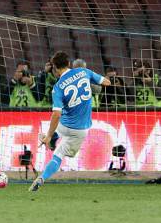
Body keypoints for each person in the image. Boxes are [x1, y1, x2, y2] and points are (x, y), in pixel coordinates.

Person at [29, 51, 111, 191]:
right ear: (68, 63)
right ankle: (43, 171)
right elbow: (107, 82)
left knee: (57, 141)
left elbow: (56, 114)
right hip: (79, 130)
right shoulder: (83, 71)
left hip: (64, 124)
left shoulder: (58, 88)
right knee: (60, 155)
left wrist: (49, 134)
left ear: (54, 67)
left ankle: (49, 140)